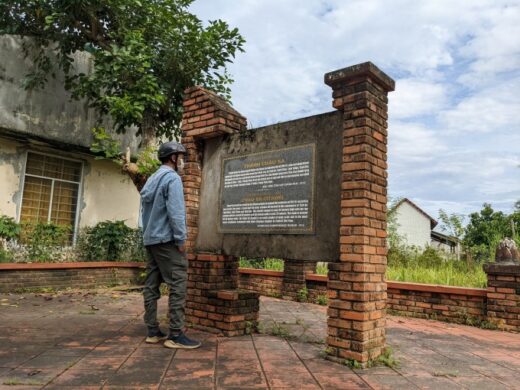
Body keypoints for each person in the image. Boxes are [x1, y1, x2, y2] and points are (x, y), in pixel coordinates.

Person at [139, 141, 201, 349]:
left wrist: (148, 236)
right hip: (166, 240)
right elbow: (176, 212)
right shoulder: (172, 178)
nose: (182, 161)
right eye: (181, 157)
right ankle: (175, 334)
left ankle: (152, 331)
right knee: (178, 282)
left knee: (151, 285)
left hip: (151, 240)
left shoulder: (151, 180)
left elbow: (145, 213)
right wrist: (181, 238)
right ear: (173, 158)